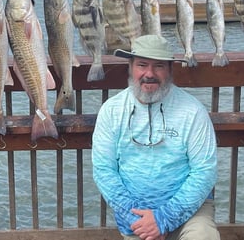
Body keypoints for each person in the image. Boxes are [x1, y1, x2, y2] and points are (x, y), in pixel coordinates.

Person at [92, 34, 219, 240]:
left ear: (170, 70)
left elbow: (205, 172)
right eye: (142, 65)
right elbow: (103, 171)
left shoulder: (193, 111)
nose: (149, 73)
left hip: (190, 211)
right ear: (131, 68)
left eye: (158, 66)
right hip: (135, 215)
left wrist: (164, 218)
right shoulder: (110, 111)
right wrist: (139, 220)